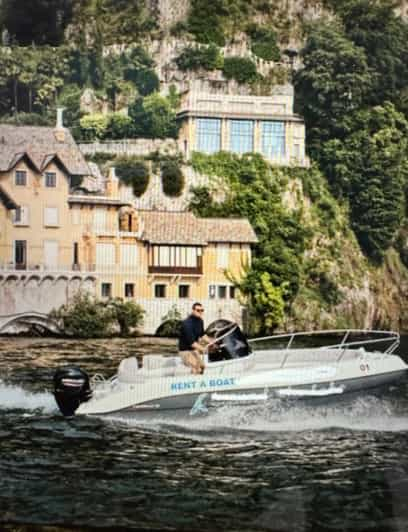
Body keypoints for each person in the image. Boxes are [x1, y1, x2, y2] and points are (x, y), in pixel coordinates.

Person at [179, 302, 209, 375]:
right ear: (193, 310)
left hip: (194, 350)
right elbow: (192, 343)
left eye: (202, 310)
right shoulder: (187, 324)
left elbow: (202, 334)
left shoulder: (200, 321)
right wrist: (203, 349)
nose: (200, 312)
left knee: (202, 366)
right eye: (198, 310)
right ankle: (192, 381)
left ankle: (199, 382)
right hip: (185, 351)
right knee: (196, 367)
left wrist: (211, 342)